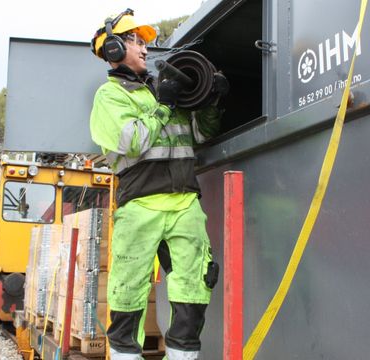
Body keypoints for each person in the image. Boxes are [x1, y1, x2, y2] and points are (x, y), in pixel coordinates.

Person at [90, 9, 228, 360]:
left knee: (195, 288)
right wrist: (164, 105)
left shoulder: (163, 92)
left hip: (184, 203)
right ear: (114, 50)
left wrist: (212, 101)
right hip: (140, 205)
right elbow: (132, 140)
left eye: (145, 43)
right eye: (136, 41)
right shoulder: (109, 97)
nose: (145, 49)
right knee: (127, 293)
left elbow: (200, 134)